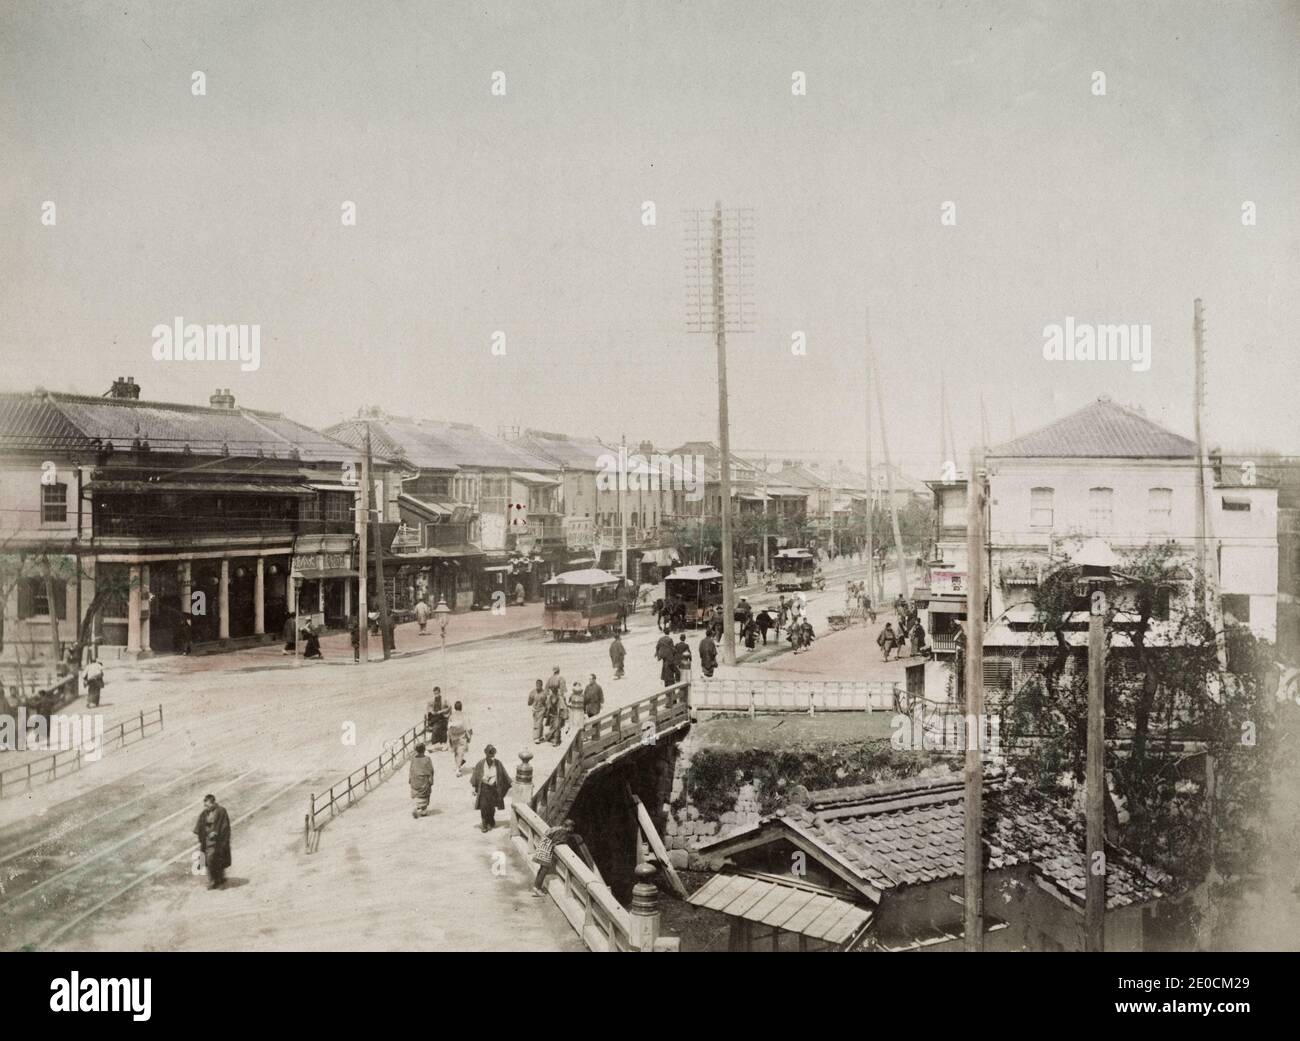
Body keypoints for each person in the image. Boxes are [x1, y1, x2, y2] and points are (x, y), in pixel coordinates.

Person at [531, 818, 591, 896]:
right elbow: (558, 841)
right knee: (544, 870)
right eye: (572, 828)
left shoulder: (557, 828)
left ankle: (536, 886)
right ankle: (537, 889)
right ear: (569, 827)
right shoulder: (563, 831)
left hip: (542, 846)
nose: (572, 830)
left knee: (542, 869)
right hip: (546, 849)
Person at [470, 744, 512, 832]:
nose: (491, 757)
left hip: (494, 789)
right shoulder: (480, 764)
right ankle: (484, 825)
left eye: (493, 754)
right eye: (489, 754)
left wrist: (511, 782)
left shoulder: (498, 763)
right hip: (484, 788)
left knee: (492, 806)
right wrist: (474, 788)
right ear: (486, 754)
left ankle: (491, 820)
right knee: (484, 806)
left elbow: (504, 775)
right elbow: (475, 776)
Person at [193, 793, 231, 890]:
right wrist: (205, 833)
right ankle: (213, 880)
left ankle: (219, 879)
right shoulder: (204, 813)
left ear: (213, 803)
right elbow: (200, 826)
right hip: (207, 842)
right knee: (209, 860)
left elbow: (225, 826)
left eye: (208, 805)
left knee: (217, 859)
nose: (206, 807)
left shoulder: (221, 811)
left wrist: (216, 833)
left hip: (218, 842)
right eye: (205, 805)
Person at [408, 743, 434, 818]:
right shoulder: (427, 759)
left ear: (416, 750)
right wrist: (431, 780)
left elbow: (411, 770)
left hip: (415, 780)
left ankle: (418, 807)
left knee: (417, 795)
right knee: (425, 795)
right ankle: (422, 810)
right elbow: (431, 770)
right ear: (424, 750)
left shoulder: (413, 759)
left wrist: (410, 779)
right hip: (424, 781)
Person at [448, 701, 473, 774]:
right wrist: (470, 736)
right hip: (462, 736)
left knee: (456, 752)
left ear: (455, 708)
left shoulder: (451, 716)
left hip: (453, 737)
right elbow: (469, 728)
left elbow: (449, 728)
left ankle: (457, 766)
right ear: (461, 707)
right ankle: (458, 769)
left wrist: (449, 738)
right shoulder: (464, 715)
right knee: (460, 752)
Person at [528, 679, 547, 743]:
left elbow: (547, 702)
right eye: (537, 685)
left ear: (542, 685)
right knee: (537, 723)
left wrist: (546, 710)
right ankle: (538, 737)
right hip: (535, 710)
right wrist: (530, 702)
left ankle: (538, 737)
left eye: (539, 685)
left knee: (539, 723)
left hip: (542, 710)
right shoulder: (532, 692)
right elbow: (529, 702)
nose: (538, 686)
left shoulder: (544, 693)